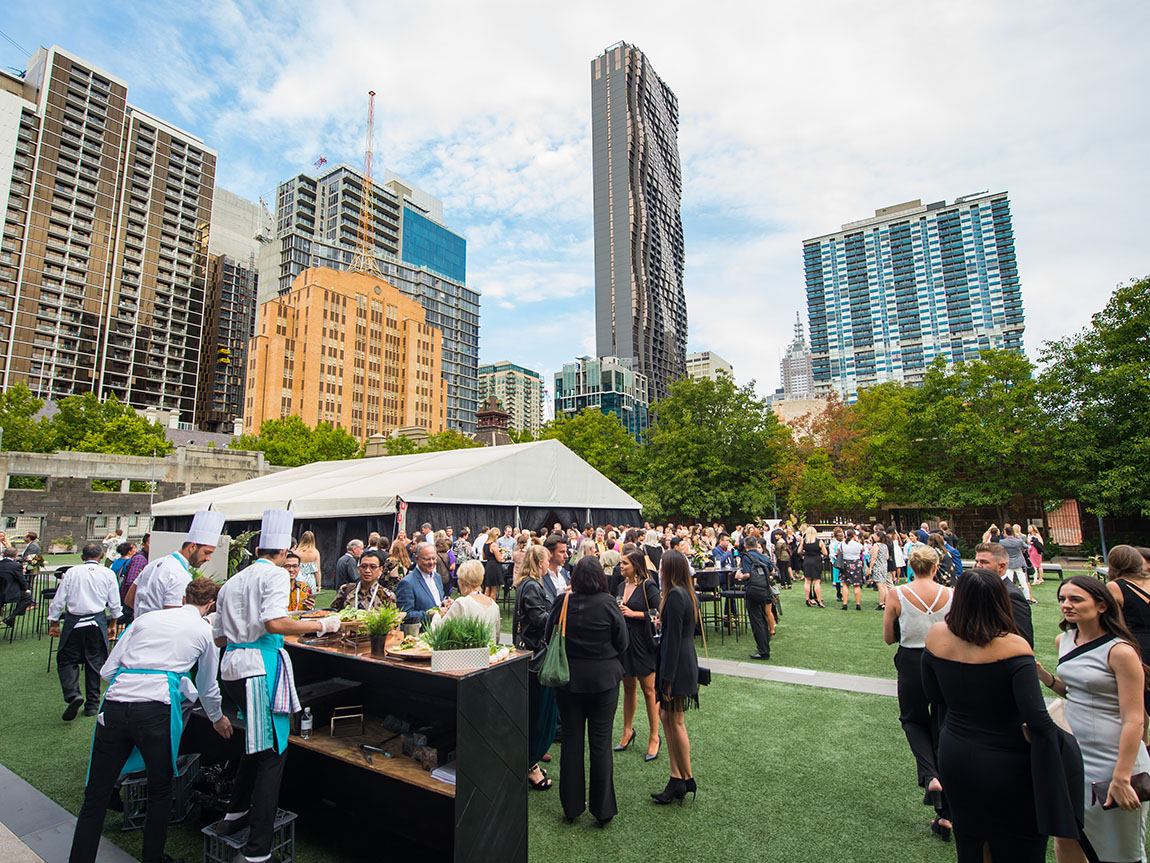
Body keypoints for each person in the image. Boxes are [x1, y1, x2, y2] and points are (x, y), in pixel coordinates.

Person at [68, 577, 233, 863]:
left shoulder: (145, 620)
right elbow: (208, 686)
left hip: (117, 705)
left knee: (95, 794)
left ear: (183, 597)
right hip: (156, 710)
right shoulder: (204, 632)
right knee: (159, 789)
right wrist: (217, 718)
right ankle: (153, 859)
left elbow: (107, 671)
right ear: (210, 605)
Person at [922, 569, 1083, 860]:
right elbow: (1036, 719)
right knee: (1018, 838)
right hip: (1006, 757)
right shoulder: (1014, 646)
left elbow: (933, 695)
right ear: (1000, 601)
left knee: (971, 836)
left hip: (955, 750)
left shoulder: (935, 636)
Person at [212, 510, 341, 863]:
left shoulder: (234, 581)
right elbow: (273, 623)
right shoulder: (276, 576)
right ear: (284, 551)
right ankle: (256, 852)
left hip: (232, 669)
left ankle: (233, 816)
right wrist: (323, 626)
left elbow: (220, 637)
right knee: (273, 755)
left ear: (257, 548)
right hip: (259, 671)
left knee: (255, 746)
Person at [1037, 575, 1149, 862]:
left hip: (1115, 757)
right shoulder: (1064, 639)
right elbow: (1076, 691)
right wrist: (1046, 677)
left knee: (1120, 849)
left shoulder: (1120, 650)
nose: (1066, 605)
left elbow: (1134, 719)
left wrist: (1122, 778)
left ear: (1101, 606)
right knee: (1068, 835)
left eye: (1076, 599)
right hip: (1075, 753)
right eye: (1062, 599)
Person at [544, 555, 628, 826]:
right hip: (604, 681)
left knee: (571, 741)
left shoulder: (563, 601)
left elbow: (548, 637)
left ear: (576, 577)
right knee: (601, 744)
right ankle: (603, 810)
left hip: (569, 681)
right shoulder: (608, 604)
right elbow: (622, 641)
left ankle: (571, 807)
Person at [883, 545, 953, 836]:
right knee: (944, 724)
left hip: (912, 660)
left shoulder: (897, 593)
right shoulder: (952, 594)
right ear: (936, 567)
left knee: (912, 719)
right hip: (945, 660)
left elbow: (889, 637)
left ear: (911, 566)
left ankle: (929, 774)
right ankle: (946, 813)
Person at [48, 543, 123, 720]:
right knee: (95, 663)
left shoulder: (72, 573)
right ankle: (92, 705)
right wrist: (113, 624)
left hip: (74, 621)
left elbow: (59, 599)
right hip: (97, 622)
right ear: (102, 556)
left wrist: (54, 622)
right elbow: (114, 602)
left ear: (82, 557)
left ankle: (73, 694)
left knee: (66, 660)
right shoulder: (108, 573)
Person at [651, 549, 699, 805]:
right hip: (683, 662)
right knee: (666, 716)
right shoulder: (687, 593)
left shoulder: (675, 596)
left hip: (676, 666)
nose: (659, 571)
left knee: (675, 720)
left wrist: (666, 679)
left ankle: (687, 777)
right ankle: (676, 778)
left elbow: (671, 642)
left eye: (661, 567)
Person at [513, 544, 557, 791]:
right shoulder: (531, 585)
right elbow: (538, 620)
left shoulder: (532, 584)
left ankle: (531, 761)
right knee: (538, 713)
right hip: (535, 658)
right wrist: (560, 613)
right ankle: (530, 765)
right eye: (547, 560)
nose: (549, 564)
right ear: (539, 563)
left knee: (540, 712)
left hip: (534, 655)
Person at [127, 510, 225, 617]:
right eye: (206, 552)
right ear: (192, 547)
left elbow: (129, 599)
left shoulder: (154, 564)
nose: (208, 558)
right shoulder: (179, 575)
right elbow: (174, 618)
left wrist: (146, 616)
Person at [614, 548, 662, 760]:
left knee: (649, 690)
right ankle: (627, 730)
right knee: (628, 687)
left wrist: (634, 613)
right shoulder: (620, 586)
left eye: (625, 563)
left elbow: (659, 611)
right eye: (621, 563)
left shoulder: (647, 585)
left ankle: (654, 736)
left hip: (643, 642)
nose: (621, 567)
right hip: (624, 641)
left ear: (635, 566)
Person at [1104, 544, 1150, 719]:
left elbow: (1119, 626)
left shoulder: (1115, 587)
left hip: (1139, 646)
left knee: (1139, 701)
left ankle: (1143, 742)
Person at [974, 542, 1034, 646]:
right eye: (977, 561)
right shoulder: (978, 588)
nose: (978, 566)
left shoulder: (1010, 595)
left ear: (1001, 566)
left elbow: (1024, 639)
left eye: (984, 562)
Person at [431, 560, 500, 634]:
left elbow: (438, 631)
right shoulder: (494, 605)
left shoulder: (461, 604)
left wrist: (436, 615)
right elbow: (496, 636)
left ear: (461, 581)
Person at [396, 542, 452, 626]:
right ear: (416, 559)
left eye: (434, 558)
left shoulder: (437, 577)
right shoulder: (407, 583)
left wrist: (445, 603)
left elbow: (436, 601)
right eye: (427, 559)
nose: (431, 562)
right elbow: (405, 616)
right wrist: (429, 614)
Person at [739, 536, 776, 660]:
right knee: (763, 618)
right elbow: (773, 571)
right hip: (764, 589)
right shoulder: (762, 556)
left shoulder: (746, 557)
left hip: (753, 590)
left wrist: (740, 576)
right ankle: (765, 647)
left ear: (745, 545)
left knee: (756, 620)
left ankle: (763, 650)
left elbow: (748, 574)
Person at [117, 534, 149, 629]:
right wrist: (134, 606)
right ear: (143, 545)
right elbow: (131, 581)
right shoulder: (140, 559)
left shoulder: (143, 557)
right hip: (132, 608)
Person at [998, 524, 1033, 603]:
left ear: (1005, 533)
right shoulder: (1019, 541)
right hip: (1019, 562)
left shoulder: (1002, 542)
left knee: (1008, 581)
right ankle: (1027, 598)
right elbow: (1027, 547)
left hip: (1009, 562)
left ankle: (1007, 596)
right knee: (1023, 581)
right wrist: (1018, 538)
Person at [0, 546, 33, 628]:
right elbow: (21, 580)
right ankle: (12, 616)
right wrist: (25, 589)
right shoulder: (15, 566)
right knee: (28, 597)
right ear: (15, 556)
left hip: (2, 592)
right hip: (9, 593)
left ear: (3, 555)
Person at [839, 529, 865, 611]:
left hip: (846, 564)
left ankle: (845, 603)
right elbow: (863, 550)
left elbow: (838, 552)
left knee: (845, 584)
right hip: (856, 564)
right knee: (856, 585)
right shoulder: (857, 545)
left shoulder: (842, 544)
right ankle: (858, 604)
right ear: (854, 535)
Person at [541, 532, 569, 603]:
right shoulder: (540, 576)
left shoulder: (564, 573)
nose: (566, 556)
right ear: (550, 553)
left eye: (566, 552)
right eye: (562, 552)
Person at [482, 527, 503, 601]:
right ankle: (492, 607)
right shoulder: (493, 545)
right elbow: (499, 559)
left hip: (488, 566)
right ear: (495, 535)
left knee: (487, 588)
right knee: (494, 590)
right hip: (494, 567)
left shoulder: (485, 545)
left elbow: (484, 557)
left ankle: (484, 607)